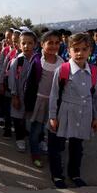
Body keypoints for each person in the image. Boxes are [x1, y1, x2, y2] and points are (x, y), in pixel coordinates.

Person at [48, 33, 97, 189]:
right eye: (76, 49)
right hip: (65, 112)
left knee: (77, 146)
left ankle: (74, 173)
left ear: (90, 51)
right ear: (69, 51)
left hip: (84, 113)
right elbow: (54, 94)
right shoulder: (63, 70)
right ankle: (57, 175)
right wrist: (52, 116)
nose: (80, 53)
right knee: (57, 146)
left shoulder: (93, 71)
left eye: (84, 49)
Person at [25, 31, 64, 168]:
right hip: (39, 102)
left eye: (57, 43)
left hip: (54, 103)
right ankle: (35, 153)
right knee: (36, 129)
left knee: (52, 130)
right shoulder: (36, 61)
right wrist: (28, 104)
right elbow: (29, 85)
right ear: (42, 44)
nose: (54, 46)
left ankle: (52, 153)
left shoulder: (62, 63)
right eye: (50, 43)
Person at [8, 31, 38, 153]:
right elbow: (12, 79)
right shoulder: (17, 61)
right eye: (23, 43)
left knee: (34, 118)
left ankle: (38, 139)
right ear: (19, 45)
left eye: (30, 43)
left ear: (35, 44)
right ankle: (20, 138)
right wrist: (15, 96)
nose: (26, 46)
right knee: (18, 117)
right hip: (19, 94)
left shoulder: (38, 60)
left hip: (34, 95)